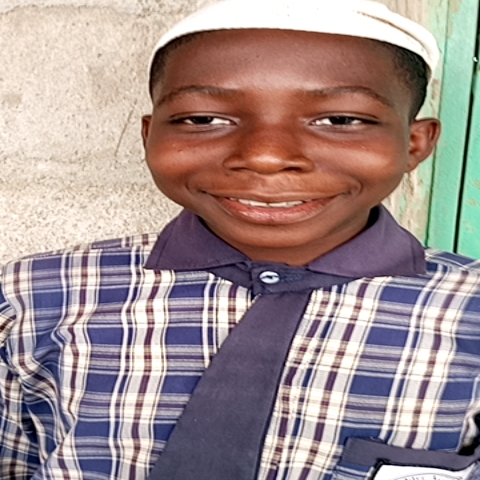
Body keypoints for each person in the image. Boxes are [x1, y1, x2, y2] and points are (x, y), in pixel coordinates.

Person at [1, 0, 480, 478]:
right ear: (149, 135)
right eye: (202, 119)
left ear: (415, 143)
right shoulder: (33, 295)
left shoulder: (469, 313)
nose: (266, 157)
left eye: (339, 120)